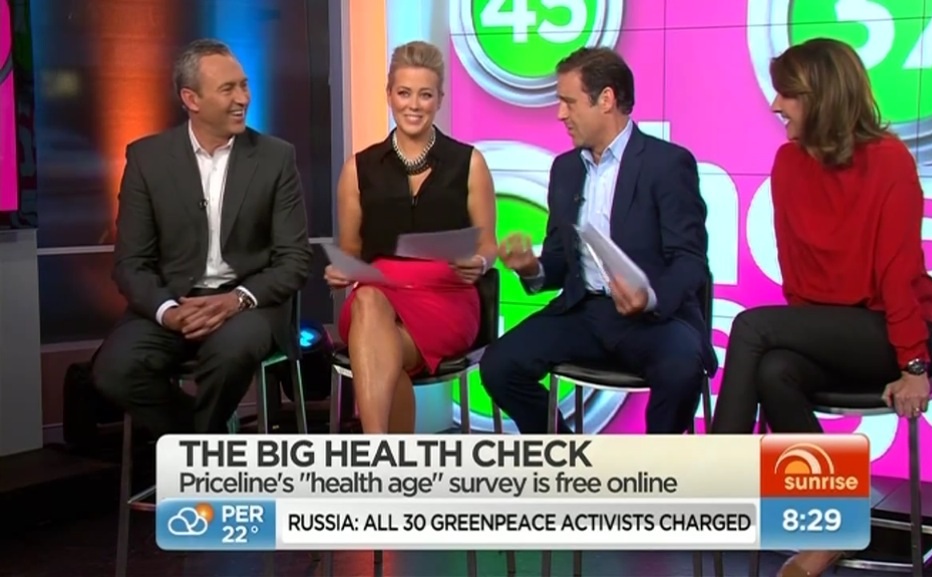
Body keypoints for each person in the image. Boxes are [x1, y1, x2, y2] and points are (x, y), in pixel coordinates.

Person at [708, 38, 932, 577]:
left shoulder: (888, 160)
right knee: (775, 369)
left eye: (788, 94)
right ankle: (834, 523)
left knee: (751, 327)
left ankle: (717, 477)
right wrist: (803, 333)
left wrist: (914, 365)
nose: (775, 105)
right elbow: (797, 270)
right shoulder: (788, 163)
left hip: (891, 334)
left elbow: (898, 272)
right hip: (830, 331)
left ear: (822, 97)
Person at [479, 47, 716, 435]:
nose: (560, 114)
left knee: (681, 368)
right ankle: (567, 456)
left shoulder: (667, 164)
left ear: (605, 99)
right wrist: (532, 268)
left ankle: (657, 469)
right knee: (499, 366)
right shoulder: (566, 169)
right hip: (583, 312)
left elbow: (690, 261)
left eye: (569, 102)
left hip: (653, 319)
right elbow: (559, 261)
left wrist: (648, 297)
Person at [92, 39, 312, 436]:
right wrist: (168, 311)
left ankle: (199, 455)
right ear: (190, 98)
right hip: (174, 302)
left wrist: (235, 300)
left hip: (248, 305)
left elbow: (294, 260)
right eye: (228, 89)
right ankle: (208, 443)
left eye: (244, 85)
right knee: (115, 370)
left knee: (230, 354)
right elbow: (131, 263)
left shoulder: (275, 158)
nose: (242, 98)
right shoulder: (147, 159)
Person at [325, 41, 498, 434]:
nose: (414, 105)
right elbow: (352, 250)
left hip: (446, 299)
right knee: (367, 301)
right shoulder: (359, 168)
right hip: (377, 295)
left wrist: (479, 262)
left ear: (440, 99)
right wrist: (342, 269)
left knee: (377, 351)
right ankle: (382, 450)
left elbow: (488, 244)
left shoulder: (469, 162)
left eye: (425, 95)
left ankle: (376, 453)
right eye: (404, 93)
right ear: (389, 94)